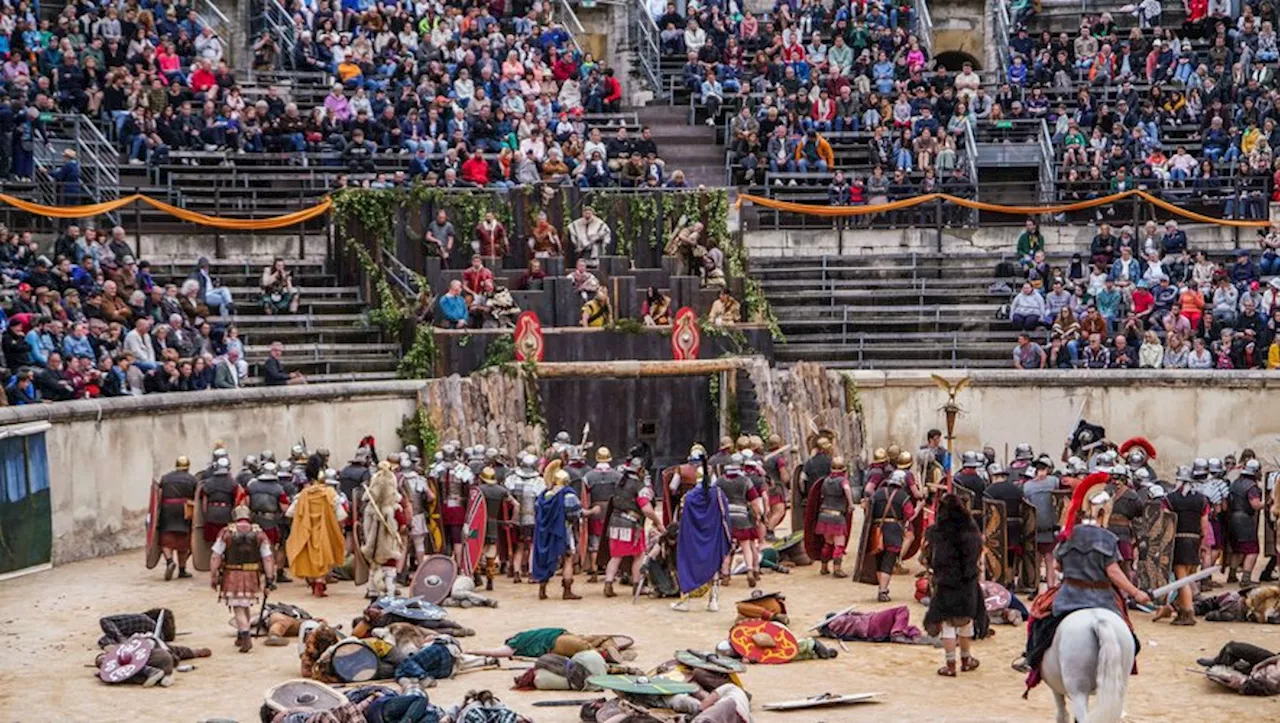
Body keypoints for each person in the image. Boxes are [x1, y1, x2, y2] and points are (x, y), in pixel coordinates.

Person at [1017, 472, 1149, 685]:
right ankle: (1128, 662)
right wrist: (1136, 593)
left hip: (1070, 595)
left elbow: (1058, 565)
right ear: (1105, 511)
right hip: (1104, 598)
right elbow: (1113, 572)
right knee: (1129, 633)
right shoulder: (1108, 537)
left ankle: (1031, 658)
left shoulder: (1069, 533)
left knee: (1037, 617)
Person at [924, 493, 983, 677]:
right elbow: (976, 557)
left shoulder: (936, 533)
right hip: (968, 581)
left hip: (945, 581)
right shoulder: (972, 533)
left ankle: (950, 666)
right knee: (965, 621)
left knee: (949, 624)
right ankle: (966, 660)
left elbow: (927, 557)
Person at [210, 504, 277, 653]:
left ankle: (246, 637)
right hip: (252, 575)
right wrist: (270, 577)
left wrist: (213, 575)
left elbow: (216, 556)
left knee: (238, 608)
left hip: (232, 574)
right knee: (244, 605)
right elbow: (267, 558)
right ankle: (241, 635)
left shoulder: (226, 532)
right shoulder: (259, 533)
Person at [602, 458, 665, 598]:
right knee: (639, 555)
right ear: (640, 470)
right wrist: (657, 522)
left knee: (616, 556)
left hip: (615, 523)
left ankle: (608, 583)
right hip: (631, 525)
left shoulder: (620, 483)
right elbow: (647, 509)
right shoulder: (639, 486)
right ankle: (638, 586)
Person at [285, 455, 346, 598]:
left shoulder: (303, 495)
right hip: (325, 530)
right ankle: (320, 581)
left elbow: (290, 513)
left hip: (307, 530)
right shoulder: (330, 493)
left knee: (310, 557)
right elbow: (342, 515)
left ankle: (314, 581)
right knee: (324, 556)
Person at [532, 461, 584, 600]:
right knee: (568, 558)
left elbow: (537, 510)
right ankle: (567, 591)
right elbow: (575, 514)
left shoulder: (544, 495)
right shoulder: (569, 496)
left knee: (545, 559)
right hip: (563, 531)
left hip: (545, 532)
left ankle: (542, 589)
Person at [358, 461, 408, 599]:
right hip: (387, 544)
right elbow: (403, 525)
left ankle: (372, 590)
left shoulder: (369, 509)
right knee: (389, 568)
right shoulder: (393, 509)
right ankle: (389, 592)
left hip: (372, 543)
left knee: (374, 565)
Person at [868, 469, 915, 601]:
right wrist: (920, 505)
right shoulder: (902, 496)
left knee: (879, 561)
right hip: (893, 531)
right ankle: (882, 591)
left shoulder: (877, 493)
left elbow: (869, 511)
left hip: (877, 531)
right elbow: (909, 515)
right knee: (888, 563)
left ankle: (881, 589)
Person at [718, 454, 765, 586]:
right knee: (746, 546)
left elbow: (714, 499)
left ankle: (725, 574)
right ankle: (750, 570)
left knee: (728, 547)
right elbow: (755, 503)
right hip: (742, 516)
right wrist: (759, 516)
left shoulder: (720, 481)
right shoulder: (745, 481)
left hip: (726, 518)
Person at [808, 456, 855, 579]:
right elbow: (847, 489)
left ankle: (824, 567)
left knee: (828, 543)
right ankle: (837, 569)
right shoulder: (843, 480)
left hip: (824, 515)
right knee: (839, 544)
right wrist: (850, 504)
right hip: (837, 516)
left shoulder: (825, 481)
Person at [156, 456, 198, 581]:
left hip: (167, 509)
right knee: (183, 539)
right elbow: (195, 495)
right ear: (187, 467)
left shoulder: (165, 478)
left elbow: (159, 493)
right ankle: (182, 569)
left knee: (166, 537)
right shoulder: (191, 479)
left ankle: (169, 561)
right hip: (184, 510)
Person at [583, 447, 622, 582]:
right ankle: (611, 572)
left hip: (596, 510)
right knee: (611, 541)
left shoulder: (589, 476)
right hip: (611, 511)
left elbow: (585, 495)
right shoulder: (617, 475)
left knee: (594, 542)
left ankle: (594, 571)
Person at [1228, 459, 1266, 586]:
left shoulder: (1235, 483)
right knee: (1252, 550)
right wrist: (1268, 504)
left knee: (1237, 549)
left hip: (1233, 517)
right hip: (1244, 519)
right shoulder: (1251, 486)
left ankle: (1232, 575)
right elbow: (1255, 504)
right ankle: (1246, 579)